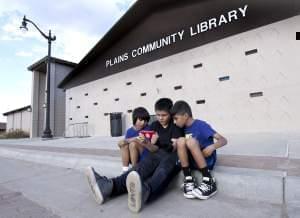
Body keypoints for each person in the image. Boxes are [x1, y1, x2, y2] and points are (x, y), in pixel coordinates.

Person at [85, 98, 184, 213]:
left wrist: (175, 144)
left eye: (164, 115)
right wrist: (147, 143)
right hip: (157, 153)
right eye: (158, 115)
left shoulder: (176, 126)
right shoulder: (155, 126)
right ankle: (108, 187)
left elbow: (174, 149)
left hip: (173, 157)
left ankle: (144, 192)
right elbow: (154, 149)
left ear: (170, 114)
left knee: (162, 169)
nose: (160, 118)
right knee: (139, 168)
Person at [171, 100, 227, 200]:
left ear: (185, 115)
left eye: (176, 118)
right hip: (193, 162)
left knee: (191, 141)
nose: (175, 122)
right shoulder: (183, 129)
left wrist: (212, 147)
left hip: (206, 160)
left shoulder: (201, 125)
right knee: (180, 141)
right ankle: (188, 179)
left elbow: (223, 140)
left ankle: (208, 180)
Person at [117, 107, 150, 172]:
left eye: (145, 121)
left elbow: (141, 141)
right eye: (140, 120)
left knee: (133, 144)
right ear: (135, 119)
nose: (143, 123)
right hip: (132, 157)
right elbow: (121, 144)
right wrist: (124, 142)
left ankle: (135, 170)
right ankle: (125, 170)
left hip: (144, 156)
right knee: (124, 145)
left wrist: (132, 140)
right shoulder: (129, 131)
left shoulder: (148, 128)